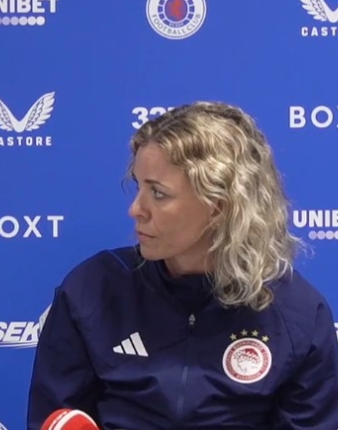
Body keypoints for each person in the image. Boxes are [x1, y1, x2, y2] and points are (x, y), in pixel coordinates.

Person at [27, 101, 338, 429]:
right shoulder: (93, 290)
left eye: (158, 193)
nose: (136, 209)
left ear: (219, 204)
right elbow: (56, 417)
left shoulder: (297, 314)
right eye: (138, 187)